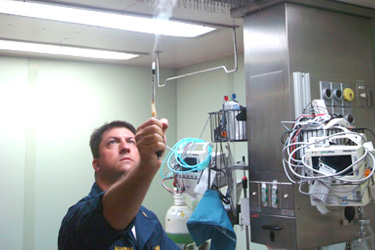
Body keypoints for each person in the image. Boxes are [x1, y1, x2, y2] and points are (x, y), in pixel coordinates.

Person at [58, 118, 179, 250]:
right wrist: (146, 166)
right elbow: (106, 216)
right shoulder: (79, 218)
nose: (125, 147)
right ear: (97, 164)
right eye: (113, 142)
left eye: (131, 142)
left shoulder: (149, 219)